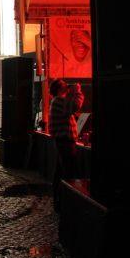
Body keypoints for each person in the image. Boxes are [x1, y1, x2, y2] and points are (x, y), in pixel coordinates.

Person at [49, 80, 84, 209]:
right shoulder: (59, 101)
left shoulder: (58, 101)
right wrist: (77, 91)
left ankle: (59, 201)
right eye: (64, 85)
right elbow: (75, 105)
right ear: (59, 89)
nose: (67, 86)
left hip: (62, 142)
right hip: (65, 142)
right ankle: (66, 202)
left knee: (60, 172)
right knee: (68, 172)